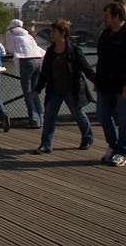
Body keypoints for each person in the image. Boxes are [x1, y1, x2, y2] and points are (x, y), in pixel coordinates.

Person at [32, 19, 96, 154]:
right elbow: (44, 72)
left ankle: (87, 138)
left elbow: (86, 68)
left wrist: (98, 81)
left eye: (54, 32)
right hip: (54, 89)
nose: (51, 34)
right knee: (49, 116)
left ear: (63, 33)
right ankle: (46, 144)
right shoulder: (50, 51)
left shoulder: (74, 50)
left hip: (71, 89)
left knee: (78, 115)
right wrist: (38, 88)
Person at [95, 2, 126, 167]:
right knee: (102, 115)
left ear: (116, 16)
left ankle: (122, 151)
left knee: (124, 120)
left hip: (124, 85)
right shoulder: (106, 34)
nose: (104, 18)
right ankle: (113, 145)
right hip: (105, 84)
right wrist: (98, 81)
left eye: (107, 15)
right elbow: (101, 59)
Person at [5, 19, 46, 128]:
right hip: (38, 59)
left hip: (26, 61)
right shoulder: (28, 34)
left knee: (27, 92)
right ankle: (41, 118)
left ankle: (34, 120)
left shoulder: (10, 33)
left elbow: (10, 49)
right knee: (35, 91)